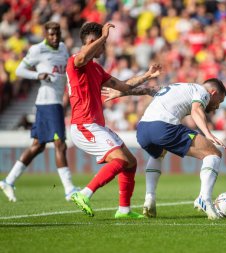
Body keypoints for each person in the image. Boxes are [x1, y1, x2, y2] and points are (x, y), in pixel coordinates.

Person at [66, 22, 161, 219]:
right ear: (93, 42)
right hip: (84, 126)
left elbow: (124, 87)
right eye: (102, 44)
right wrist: (104, 35)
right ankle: (84, 194)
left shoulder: (97, 70)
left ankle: (124, 210)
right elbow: (83, 55)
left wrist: (147, 76)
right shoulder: (75, 61)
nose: (105, 47)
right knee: (120, 160)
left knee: (131, 162)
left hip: (96, 126)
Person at [103, 79, 226, 220]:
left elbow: (146, 89)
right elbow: (196, 109)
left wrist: (120, 93)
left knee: (158, 154)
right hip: (163, 127)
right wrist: (208, 134)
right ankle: (204, 198)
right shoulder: (203, 92)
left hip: (143, 129)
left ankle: (149, 198)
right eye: (219, 101)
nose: (217, 106)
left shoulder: (174, 87)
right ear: (213, 92)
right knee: (213, 154)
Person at [0, 21, 79, 202]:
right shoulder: (37, 50)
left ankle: (8, 181)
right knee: (60, 144)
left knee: (38, 146)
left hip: (56, 102)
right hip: (47, 102)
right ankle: (69, 189)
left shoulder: (62, 49)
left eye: (57, 34)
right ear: (45, 34)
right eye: (51, 34)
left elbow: (64, 74)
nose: (54, 37)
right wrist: (37, 75)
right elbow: (19, 70)